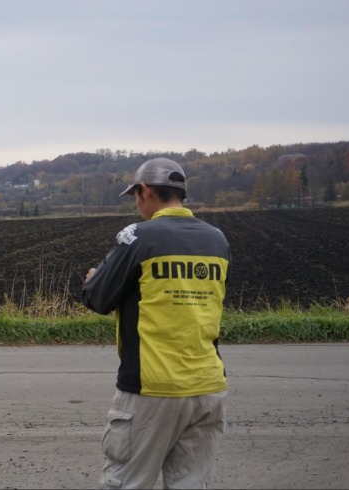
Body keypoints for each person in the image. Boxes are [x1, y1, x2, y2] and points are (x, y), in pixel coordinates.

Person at [81, 158, 231, 489]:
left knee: (126, 482)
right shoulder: (217, 240)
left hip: (152, 388)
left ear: (146, 191)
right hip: (207, 387)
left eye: (135, 196)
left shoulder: (138, 236)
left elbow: (98, 298)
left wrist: (94, 280)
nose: (137, 205)